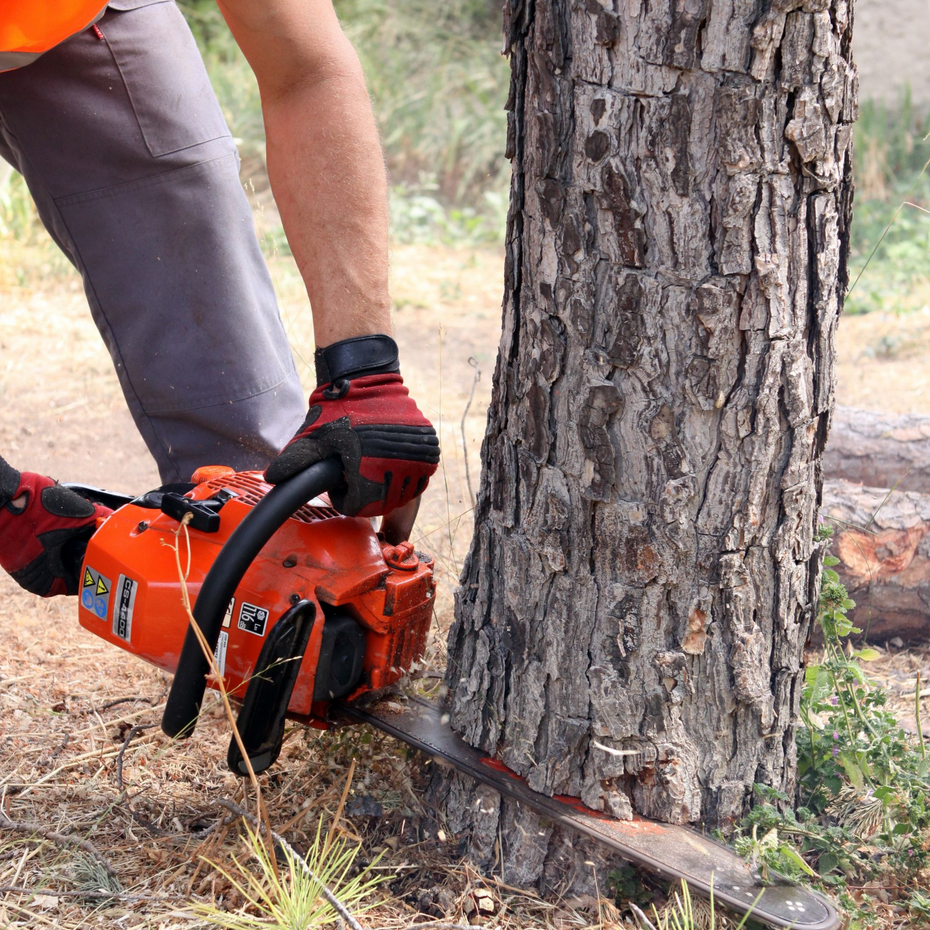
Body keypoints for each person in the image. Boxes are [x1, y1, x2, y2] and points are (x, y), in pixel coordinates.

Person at [0, 0, 440, 598]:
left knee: (189, 230)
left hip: (60, 14)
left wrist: (364, 374)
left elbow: (305, 67)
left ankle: (273, 593)